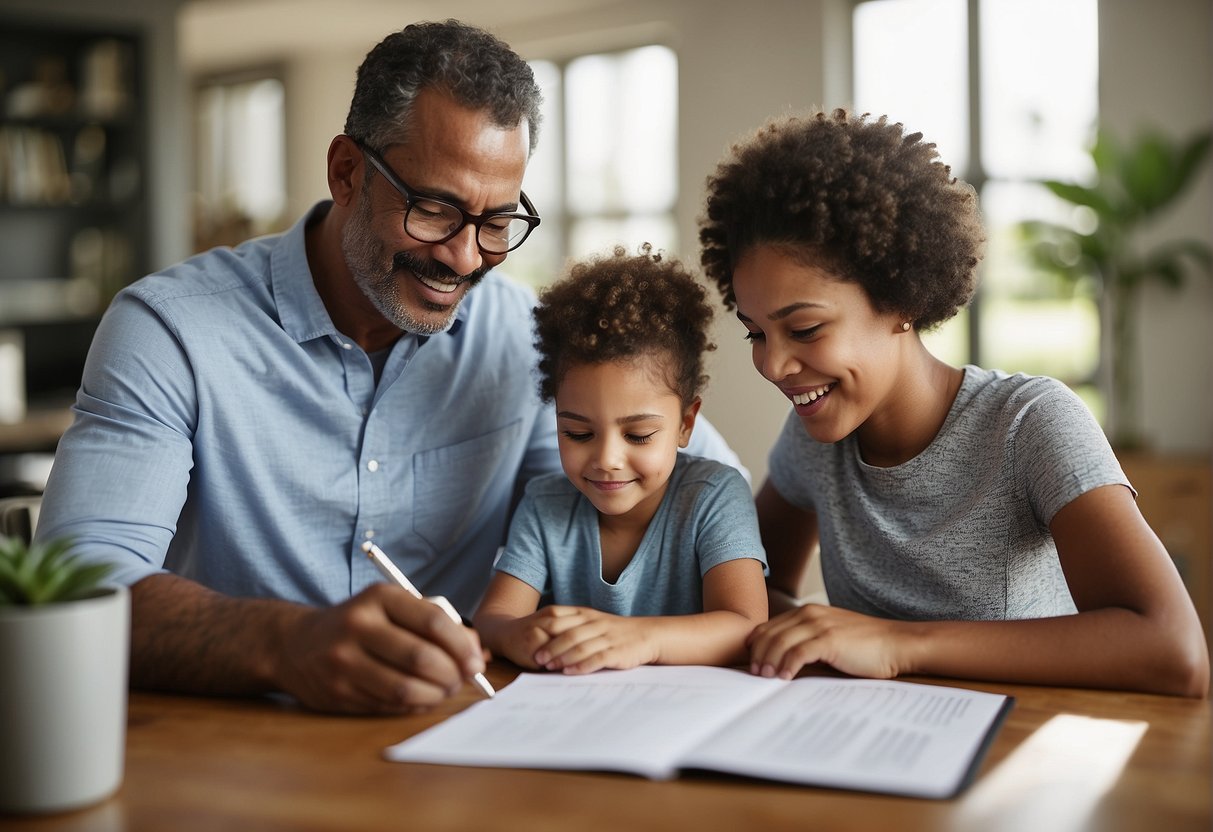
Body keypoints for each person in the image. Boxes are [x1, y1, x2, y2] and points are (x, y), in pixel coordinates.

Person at [32, 20, 745, 715]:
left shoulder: (525, 339)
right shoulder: (170, 330)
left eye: (497, 222)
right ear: (347, 172)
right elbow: (77, 586)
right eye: (435, 209)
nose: (466, 258)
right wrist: (285, 643)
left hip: (463, 732)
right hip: (231, 747)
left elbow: (697, 494)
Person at [697, 108, 1209, 697]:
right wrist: (813, 630)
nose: (773, 364)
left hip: (1023, 754)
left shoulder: (1029, 423)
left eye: (806, 329)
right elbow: (749, 595)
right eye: (756, 333)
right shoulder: (816, 439)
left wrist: (898, 644)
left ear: (899, 298)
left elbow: (1175, 651)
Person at [474, 247, 768, 673]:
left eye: (638, 435)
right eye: (577, 433)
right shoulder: (545, 505)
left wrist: (641, 639)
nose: (607, 459)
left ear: (686, 424)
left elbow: (746, 627)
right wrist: (514, 634)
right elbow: (493, 620)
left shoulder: (714, 496)